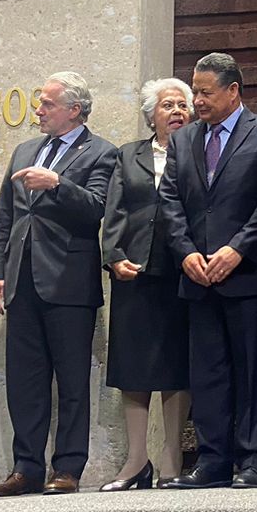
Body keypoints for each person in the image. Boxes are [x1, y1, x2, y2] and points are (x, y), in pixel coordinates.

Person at [0, 73, 118, 497]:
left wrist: (58, 184)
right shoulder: (26, 150)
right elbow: (5, 215)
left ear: (74, 110)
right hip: (22, 278)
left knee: (73, 379)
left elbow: (97, 208)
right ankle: (26, 467)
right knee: (25, 380)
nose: (37, 111)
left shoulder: (101, 152)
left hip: (69, 281)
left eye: (46, 104)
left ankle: (68, 467)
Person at [156, 53, 257, 489]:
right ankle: (212, 460)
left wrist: (236, 249)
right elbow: (170, 202)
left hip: (248, 274)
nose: (197, 101)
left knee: (254, 369)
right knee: (207, 372)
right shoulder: (182, 140)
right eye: (195, 91)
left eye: (205, 92)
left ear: (233, 91)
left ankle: (253, 459)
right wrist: (186, 253)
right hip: (197, 275)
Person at [99, 78, 194, 489]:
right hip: (134, 272)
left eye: (182, 105)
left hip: (182, 272)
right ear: (151, 115)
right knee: (132, 365)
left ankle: (171, 461)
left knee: (178, 364)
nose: (176, 111)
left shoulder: (200, 152)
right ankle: (136, 462)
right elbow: (113, 210)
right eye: (167, 105)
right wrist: (114, 257)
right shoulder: (127, 155)